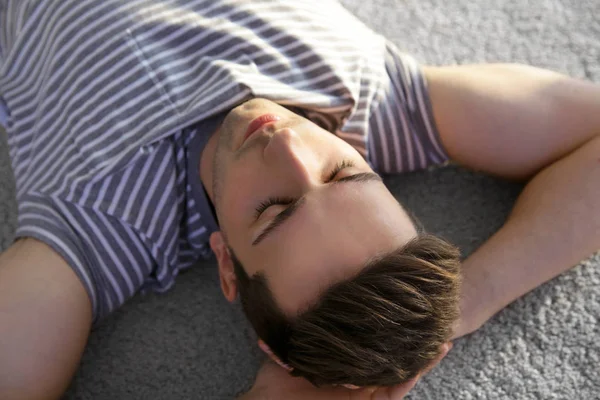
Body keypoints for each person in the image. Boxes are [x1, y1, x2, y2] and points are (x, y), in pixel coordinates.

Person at [0, 1, 598, 399]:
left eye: (275, 210)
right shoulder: (379, 102)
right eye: (345, 174)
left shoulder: (96, 224)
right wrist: (471, 296)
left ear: (227, 266)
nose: (288, 145)